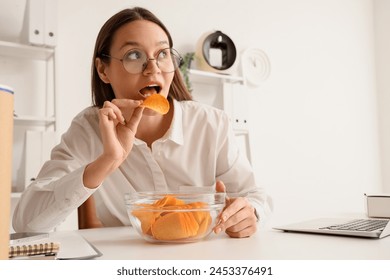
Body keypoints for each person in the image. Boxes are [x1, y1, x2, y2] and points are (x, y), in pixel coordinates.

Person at [13, 7, 271, 238]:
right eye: (134, 55)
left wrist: (249, 214)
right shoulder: (88, 129)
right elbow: (27, 224)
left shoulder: (211, 123)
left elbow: (253, 197)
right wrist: (108, 161)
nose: (153, 68)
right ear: (103, 70)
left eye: (162, 54)